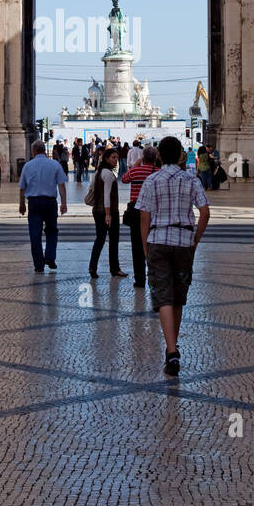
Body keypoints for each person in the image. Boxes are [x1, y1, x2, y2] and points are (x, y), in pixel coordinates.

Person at [136, 135, 210, 376]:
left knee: (164, 298)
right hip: (183, 241)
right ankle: (173, 347)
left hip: (158, 241)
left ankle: (170, 350)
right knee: (178, 297)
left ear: (159, 155)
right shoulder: (191, 180)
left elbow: (144, 217)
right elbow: (205, 212)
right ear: (180, 155)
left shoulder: (151, 180)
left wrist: (146, 247)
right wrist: (195, 239)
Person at [19, 141, 68, 273]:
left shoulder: (27, 166)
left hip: (34, 203)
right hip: (50, 202)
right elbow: (61, 186)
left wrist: (22, 204)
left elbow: (22, 188)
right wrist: (63, 203)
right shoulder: (54, 164)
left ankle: (38, 264)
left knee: (35, 234)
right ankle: (50, 257)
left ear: (33, 151)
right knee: (52, 231)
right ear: (44, 150)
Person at [121, 144, 160, 288]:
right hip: (154, 211)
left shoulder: (136, 171)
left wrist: (135, 165)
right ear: (156, 158)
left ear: (143, 157)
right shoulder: (158, 172)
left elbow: (124, 179)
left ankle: (140, 279)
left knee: (136, 246)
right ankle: (154, 276)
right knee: (154, 245)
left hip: (136, 210)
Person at [89, 148, 128, 280]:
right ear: (106, 159)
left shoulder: (97, 173)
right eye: (113, 157)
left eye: (117, 157)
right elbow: (107, 196)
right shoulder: (109, 174)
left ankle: (92, 267)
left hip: (97, 210)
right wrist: (108, 214)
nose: (116, 160)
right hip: (109, 212)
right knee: (113, 240)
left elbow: (92, 190)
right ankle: (115, 269)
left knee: (99, 239)